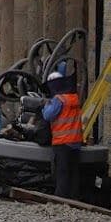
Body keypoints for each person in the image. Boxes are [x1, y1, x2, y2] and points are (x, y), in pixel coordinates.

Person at [42, 64, 85, 200]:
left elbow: (47, 116)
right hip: (76, 141)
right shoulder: (74, 98)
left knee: (62, 172)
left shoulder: (58, 100)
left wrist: (45, 106)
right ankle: (74, 199)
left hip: (62, 142)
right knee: (74, 173)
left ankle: (60, 198)